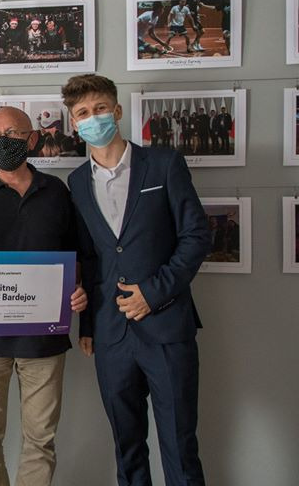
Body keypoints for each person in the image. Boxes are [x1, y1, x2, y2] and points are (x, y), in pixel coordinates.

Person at [61, 74, 210, 486]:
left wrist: (153, 293)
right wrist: (88, 326)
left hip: (166, 326)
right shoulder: (76, 182)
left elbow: (197, 236)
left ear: (117, 110)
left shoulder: (164, 164)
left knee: (180, 446)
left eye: (100, 109)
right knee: (126, 449)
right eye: (83, 113)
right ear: (74, 123)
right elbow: (91, 258)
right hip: (111, 334)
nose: (93, 118)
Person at [0, 106, 87, 486]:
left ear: (33, 139)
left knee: (41, 439)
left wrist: (78, 289)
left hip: (44, 340)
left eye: (11, 134)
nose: (1, 141)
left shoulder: (57, 192)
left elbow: (75, 254)